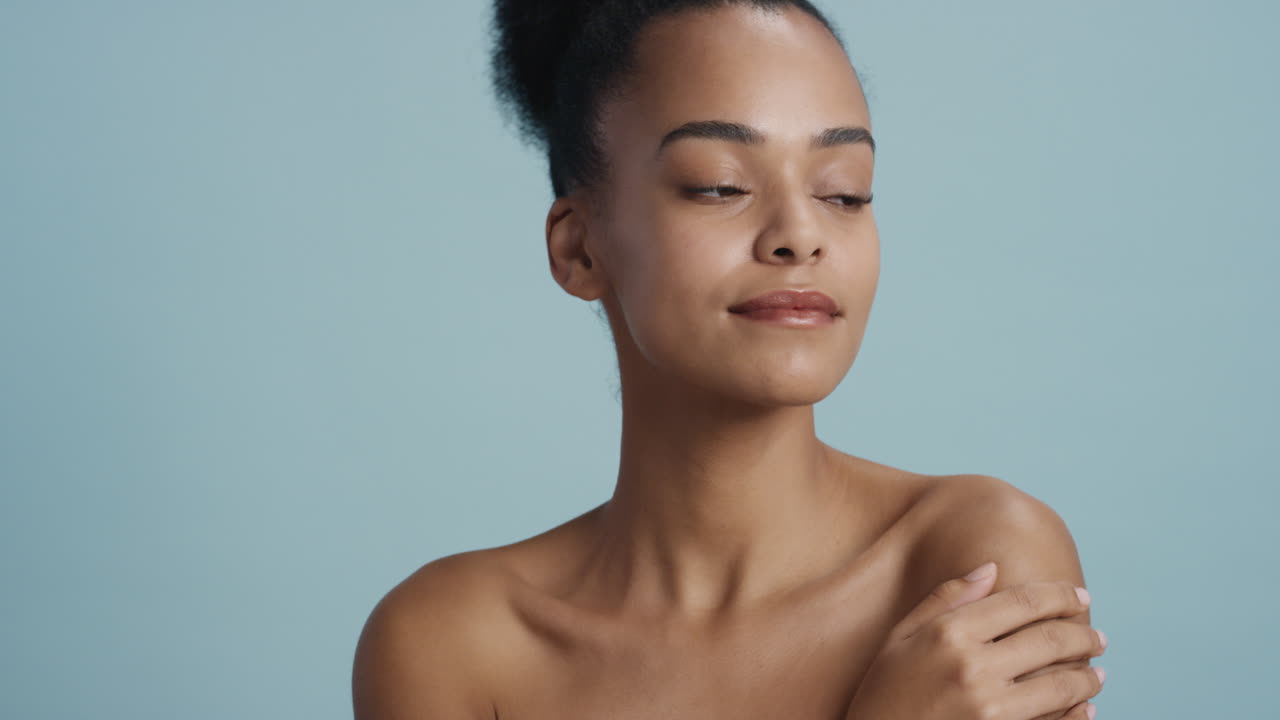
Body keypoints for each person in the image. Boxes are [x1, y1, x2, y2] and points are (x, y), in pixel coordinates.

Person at [352, 1, 1107, 718]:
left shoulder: (975, 558)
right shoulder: (450, 644)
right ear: (579, 247)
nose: (800, 235)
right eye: (721, 185)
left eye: (845, 193)